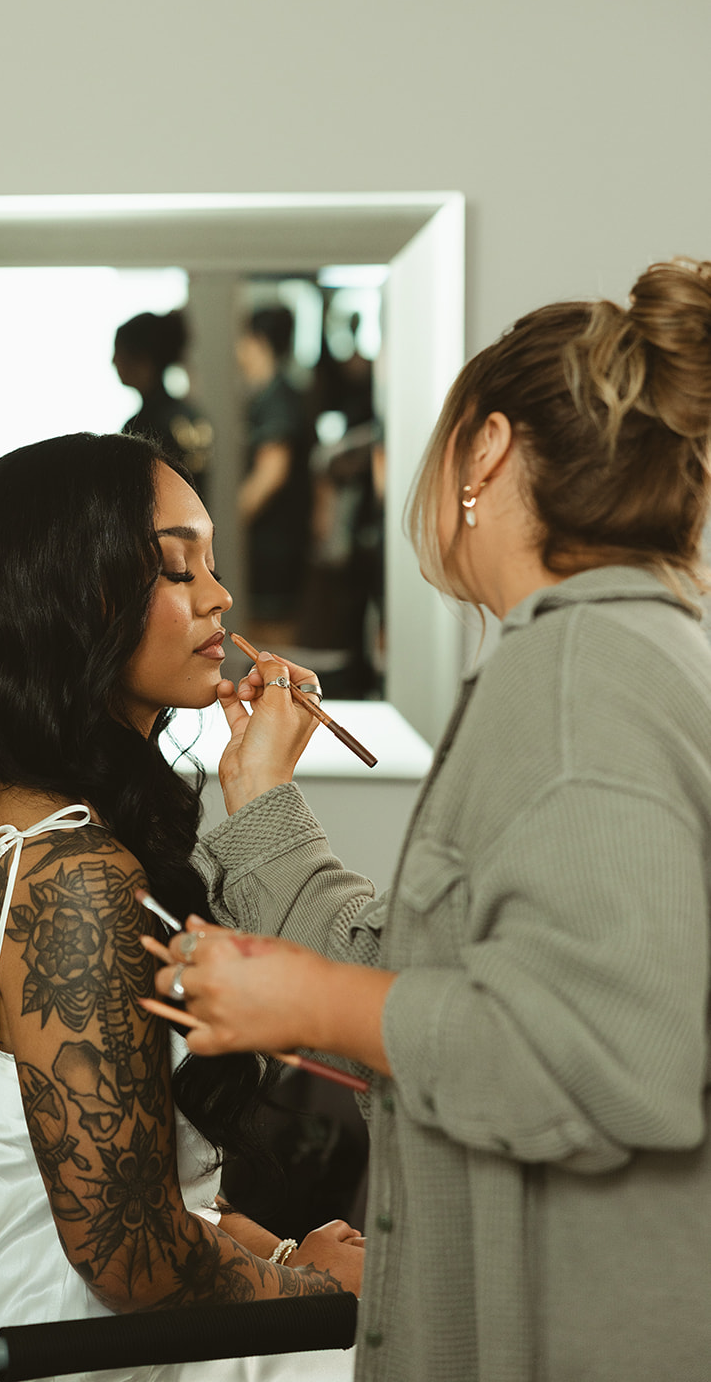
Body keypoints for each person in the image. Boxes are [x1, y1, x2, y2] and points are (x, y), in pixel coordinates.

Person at [147, 259, 711, 1381]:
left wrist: (302, 999)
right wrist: (259, 796)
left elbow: (610, 1057)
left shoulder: (577, 676)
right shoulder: (607, 657)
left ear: (487, 450)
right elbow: (444, 971)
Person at [0, 433, 363, 1382]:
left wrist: (284, 1252)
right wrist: (333, 1296)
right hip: (58, 1345)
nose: (219, 598)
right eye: (176, 569)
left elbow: (143, 1183)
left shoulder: (37, 819)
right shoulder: (72, 880)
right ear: (69, 602)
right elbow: (132, 1256)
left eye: (210, 561)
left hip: (58, 1314)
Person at [235, 306, 311, 638]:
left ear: (257, 341)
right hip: (270, 547)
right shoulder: (267, 396)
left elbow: (271, 475)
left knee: (269, 641)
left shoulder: (277, 400)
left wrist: (221, 526)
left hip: (273, 549)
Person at [113, 308, 214, 497]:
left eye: (119, 353)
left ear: (142, 360)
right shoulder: (194, 416)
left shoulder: (142, 427)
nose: (113, 362)